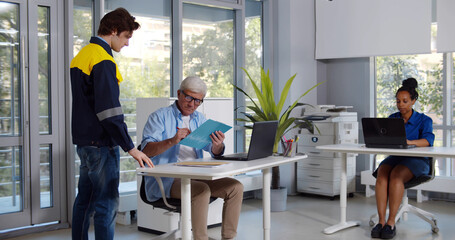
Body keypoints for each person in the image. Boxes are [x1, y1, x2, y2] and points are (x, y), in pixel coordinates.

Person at [70, 8, 154, 240]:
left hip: (85, 143)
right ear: (114, 31)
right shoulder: (103, 59)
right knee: (106, 205)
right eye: (126, 37)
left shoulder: (83, 54)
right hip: (102, 145)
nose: (127, 43)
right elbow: (109, 112)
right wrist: (131, 147)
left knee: (84, 202)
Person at [140, 76, 244, 240]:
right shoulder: (159, 117)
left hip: (197, 175)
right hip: (168, 179)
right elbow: (145, 151)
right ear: (179, 93)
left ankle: (228, 238)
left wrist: (217, 146)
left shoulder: (199, 119)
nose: (192, 104)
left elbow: (213, 150)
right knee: (202, 191)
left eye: (198, 101)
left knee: (235, 187)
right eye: (189, 97)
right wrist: (172, 141)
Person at [371, 78, 435, 239]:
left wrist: (410, 142)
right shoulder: (393, 118)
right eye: (398, 101)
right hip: (396, 157)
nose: (401, 104)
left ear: (413, 101)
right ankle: (381, 222)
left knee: (396, 175)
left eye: (405, 101)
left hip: (417, 160)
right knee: (382, 174)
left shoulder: (424, 120)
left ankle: (391, 223)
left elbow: (428, 140)